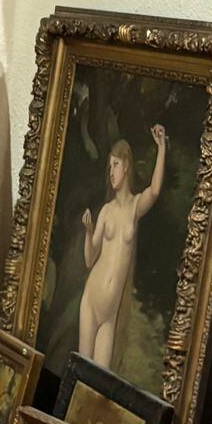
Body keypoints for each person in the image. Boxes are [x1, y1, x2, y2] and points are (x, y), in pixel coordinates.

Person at [79, 125, 167, 369]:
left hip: (110, 313)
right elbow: (89, 259)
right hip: (91, 300)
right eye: (109, 167)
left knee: (98, 380)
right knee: (81, 370)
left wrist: (161, 147)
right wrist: (88, 232)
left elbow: (156, 190)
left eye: (115, 165)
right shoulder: (106, 211)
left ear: (126, 165)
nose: (111, 172)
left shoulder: (135, 208)